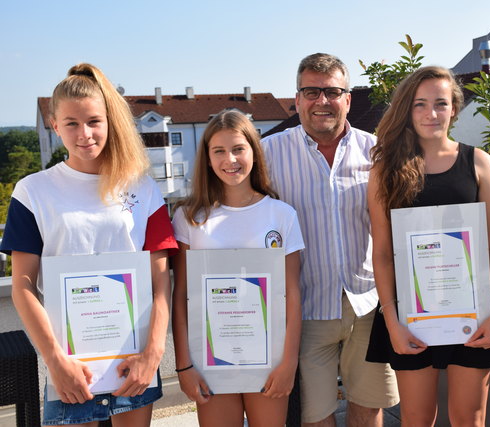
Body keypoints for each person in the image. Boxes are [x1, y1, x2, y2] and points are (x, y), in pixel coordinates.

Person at [0, 63, 177, 426]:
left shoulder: (143, 189)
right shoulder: (33, 192)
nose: (85, 134)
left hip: (135, 360)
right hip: (71, 366)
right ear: (54, 125)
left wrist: (153, 353)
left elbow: (160, 282)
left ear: (110, 121)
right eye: (71, 124)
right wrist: (55, 361)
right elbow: (23, 286)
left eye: (94, 121)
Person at [365, 66, 490, 426]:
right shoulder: (385, 170)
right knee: (416, 419)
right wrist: (393, 323)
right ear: (407, 109)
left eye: (440, 103)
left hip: (473, 313)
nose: (431, 113)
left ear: (454, 109)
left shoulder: (479, 162)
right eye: (420, 104)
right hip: (412, 318)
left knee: (470, 418)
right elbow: (383, 254)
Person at [262, 53, 399, 426]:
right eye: (311, 92)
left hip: (367, 306)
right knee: (315, 417)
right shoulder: (267, 154)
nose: (322, 101)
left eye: (332, 92)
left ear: (348, 99)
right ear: (297, 99)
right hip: (304, 311)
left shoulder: (376, 152)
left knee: (369, 408)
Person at [171, 110, 304, 426]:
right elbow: (181, 298)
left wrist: (289, 363)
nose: (230, 159)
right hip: (211, 361)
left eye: (238, 149)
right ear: (207, 158)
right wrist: (184, 366)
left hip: (270, 361)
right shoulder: (189, 218)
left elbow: (293, 294)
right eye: (219, 151)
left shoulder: (281, 215)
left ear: (254, 153)